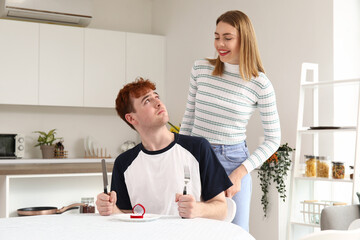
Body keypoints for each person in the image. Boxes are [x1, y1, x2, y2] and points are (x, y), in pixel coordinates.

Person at [180, 10, 281, 230]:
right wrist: (179, 161)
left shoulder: (260, 84)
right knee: (193, 230)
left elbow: (273, 139)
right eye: (217, 37)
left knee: (234, 233)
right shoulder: (200, 69)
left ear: (244, 39)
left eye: (228, 37)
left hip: (233, 163)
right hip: (196, 159)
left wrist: (240, 173)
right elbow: (188, 119)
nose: (220, 44)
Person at [96, 78, 233, 220]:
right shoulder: (123, 163)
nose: (158, 103)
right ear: (131, 118)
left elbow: (222, 209)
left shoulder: (198, 148)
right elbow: (126, 217)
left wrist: (197, 209)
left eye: (156, 97)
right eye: (147, 101)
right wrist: (112, 209)